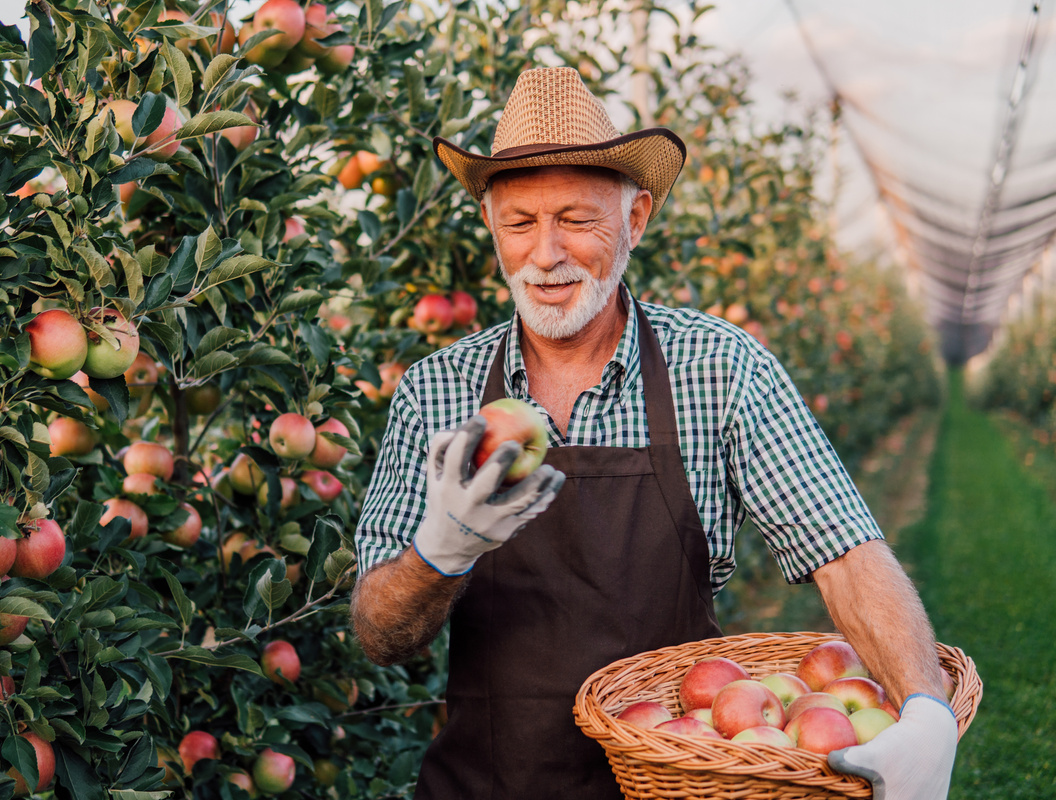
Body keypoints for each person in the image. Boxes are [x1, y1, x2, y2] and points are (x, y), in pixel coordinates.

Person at [349, 67, 957, 800]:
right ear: (491, 226)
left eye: (577, 219)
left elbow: (845, 551)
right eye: (519, 223)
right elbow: (381, 636)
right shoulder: (435, 392)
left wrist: (924, 707)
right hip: (490, 782)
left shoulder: (720, 368)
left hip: (680, 781)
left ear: (635, 220)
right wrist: (439, 554)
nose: (546, 254)